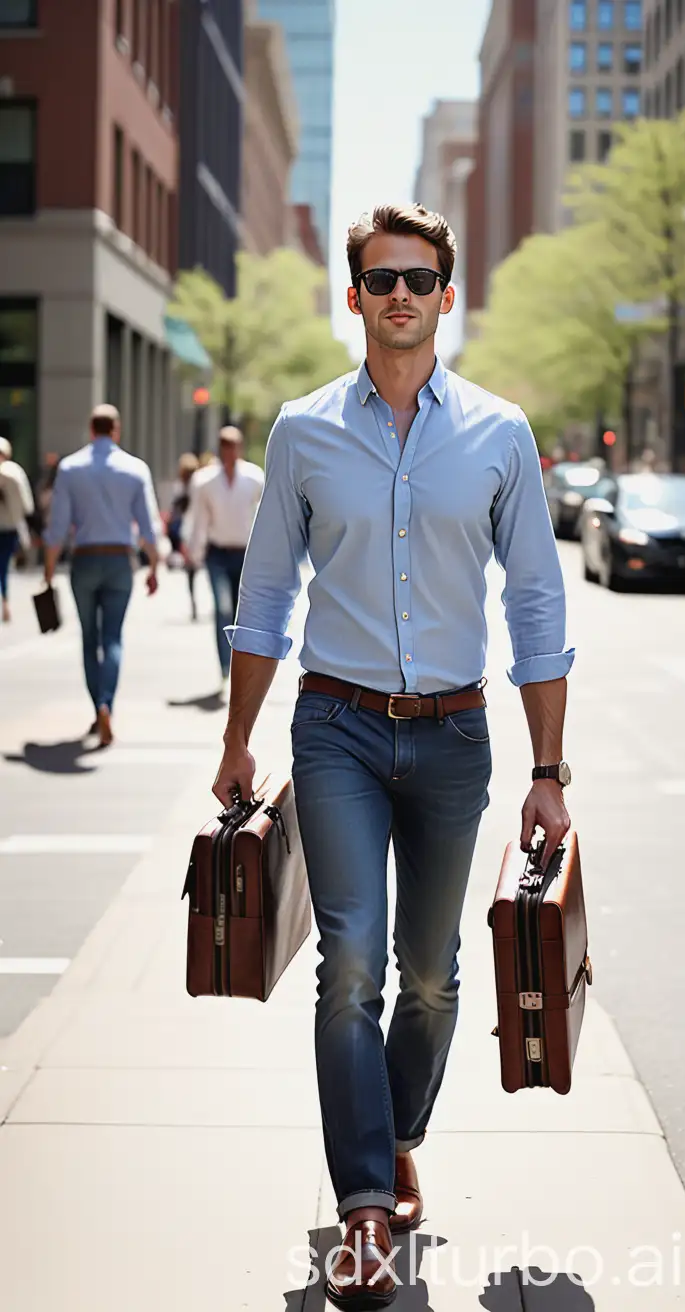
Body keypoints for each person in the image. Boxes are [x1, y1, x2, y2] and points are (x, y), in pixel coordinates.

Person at [211, 204, 574, 1308]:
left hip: (457, 736)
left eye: (420, 277)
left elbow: (536, 600)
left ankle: (395, 1126)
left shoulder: (500, 434)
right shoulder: (301, 430)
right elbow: (267, 592)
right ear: (353, 295)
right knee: (351, 964)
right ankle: (365, 1202)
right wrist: (238, 736)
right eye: (380, 278)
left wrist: (548, 773)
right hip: (335, 729)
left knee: (432, 976)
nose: (401, 293)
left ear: (447, 296)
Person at [44, 404, 160, 747]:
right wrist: (154, 565)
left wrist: (48, 572)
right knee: (113, 638)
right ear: (117, 430)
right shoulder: (135, 468)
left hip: (84, 560)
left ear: (91, 429)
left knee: (88, 638)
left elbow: (57, 527)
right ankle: (107, 703)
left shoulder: (70, 467)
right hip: (119, 561)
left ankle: (97, 709)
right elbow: (148, 526)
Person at [183, 426, 264, 690]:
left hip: (245, 553)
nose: (230, 451)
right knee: (222, 608)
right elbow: (199, 519)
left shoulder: (254, 478)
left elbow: (263, 517)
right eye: (224, 446)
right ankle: (224, 666)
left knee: (243, 614)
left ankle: (241, 665)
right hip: (217, 553)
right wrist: (194, 553)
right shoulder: (204, 480)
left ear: (239, 447)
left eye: (234, 445)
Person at [0, 436, 34, 623]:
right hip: (10, 528)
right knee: (3, 567)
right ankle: (5, 601)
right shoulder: (14, 472)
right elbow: (27, 505)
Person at [168, 452, 200, 620]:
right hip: (194, 529)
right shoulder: (198, 484)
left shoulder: (189, 486)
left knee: (192, 572)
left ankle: (194, 600)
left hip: (189, 530)